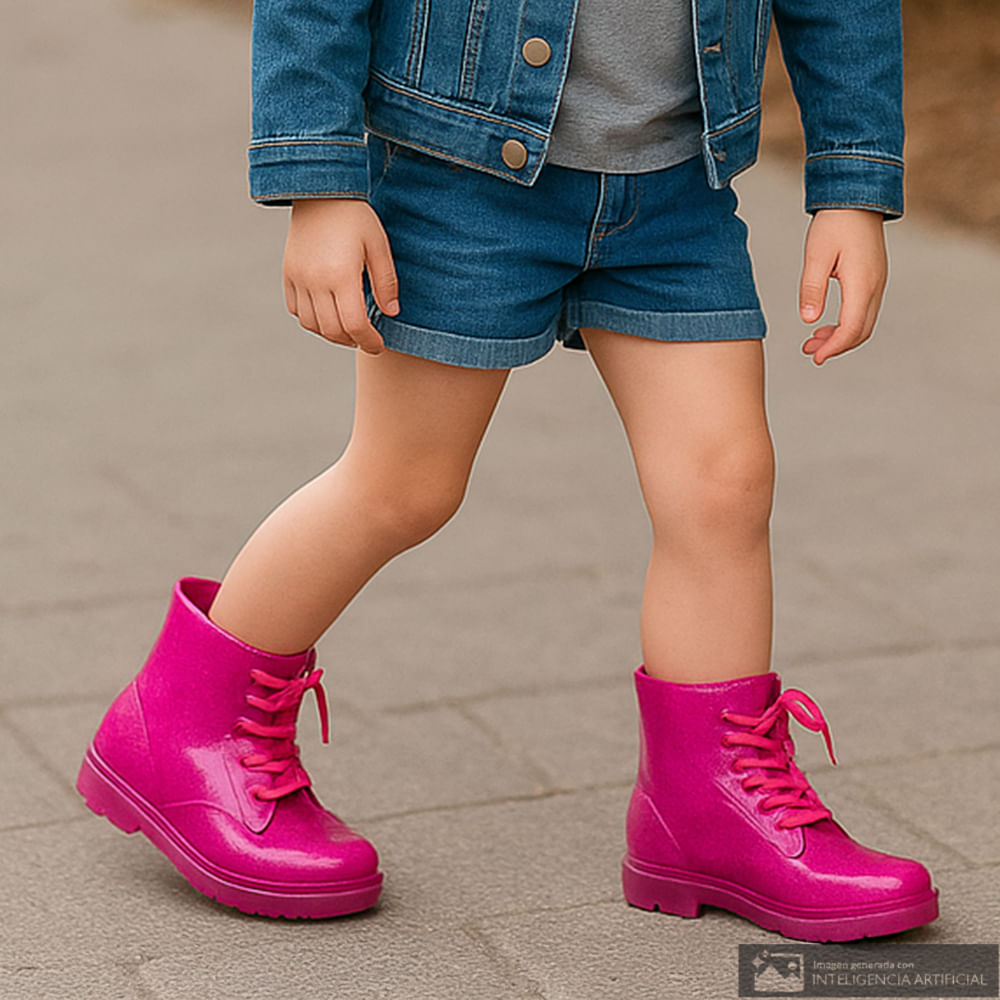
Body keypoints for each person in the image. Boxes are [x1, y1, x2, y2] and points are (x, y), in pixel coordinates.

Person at [77, 0, 940, 940]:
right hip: (462, 185)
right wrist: (319, 181)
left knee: (724, 484)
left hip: (676, 196)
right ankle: (179, 733)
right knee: (404, 485)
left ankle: (709, 809)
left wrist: (852, 185)